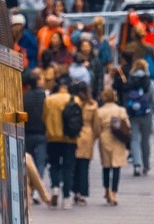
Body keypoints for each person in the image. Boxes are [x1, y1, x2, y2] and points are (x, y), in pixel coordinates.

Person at [43, 75, 78, 206]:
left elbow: (44, 117)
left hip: (53, 138)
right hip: (70, 139)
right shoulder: (75, 100)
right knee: (68, 167)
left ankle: (55, 187)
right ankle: (67, 196)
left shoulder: (49, 100)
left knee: (54, 164)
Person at [94, 88, 131, 205]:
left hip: (105, 138)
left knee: (106, 166)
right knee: (116, 167)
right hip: (118, 139)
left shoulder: (99, 111)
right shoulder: (121, 110)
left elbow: (96, 128)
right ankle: (114, 193)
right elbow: (127, 125)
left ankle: (106, 190)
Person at [121, 58, 154, 176]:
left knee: (134, 139)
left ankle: (136, 165)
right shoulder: (149, 82)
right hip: (146, 114)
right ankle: (146, 165)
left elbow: (125, 98)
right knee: (145, 140)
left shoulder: (130, 82)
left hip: (133, 114)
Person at [71, 84, 99, 204]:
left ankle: (75, 191)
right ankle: (83, 193)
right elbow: (96, 125)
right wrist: (94, 137)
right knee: (84, 167)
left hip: (74, 135)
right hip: (87, 135)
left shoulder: (72, 103)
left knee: (73, 166)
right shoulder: (93, 105)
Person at [22, 68, 49, 189]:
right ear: (38, 81)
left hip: (27, 132)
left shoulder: (25, 97)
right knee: (40, 162)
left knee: (29, 161)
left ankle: (31, 187)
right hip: (41, 132)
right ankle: (38, 187)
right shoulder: (45, 96)